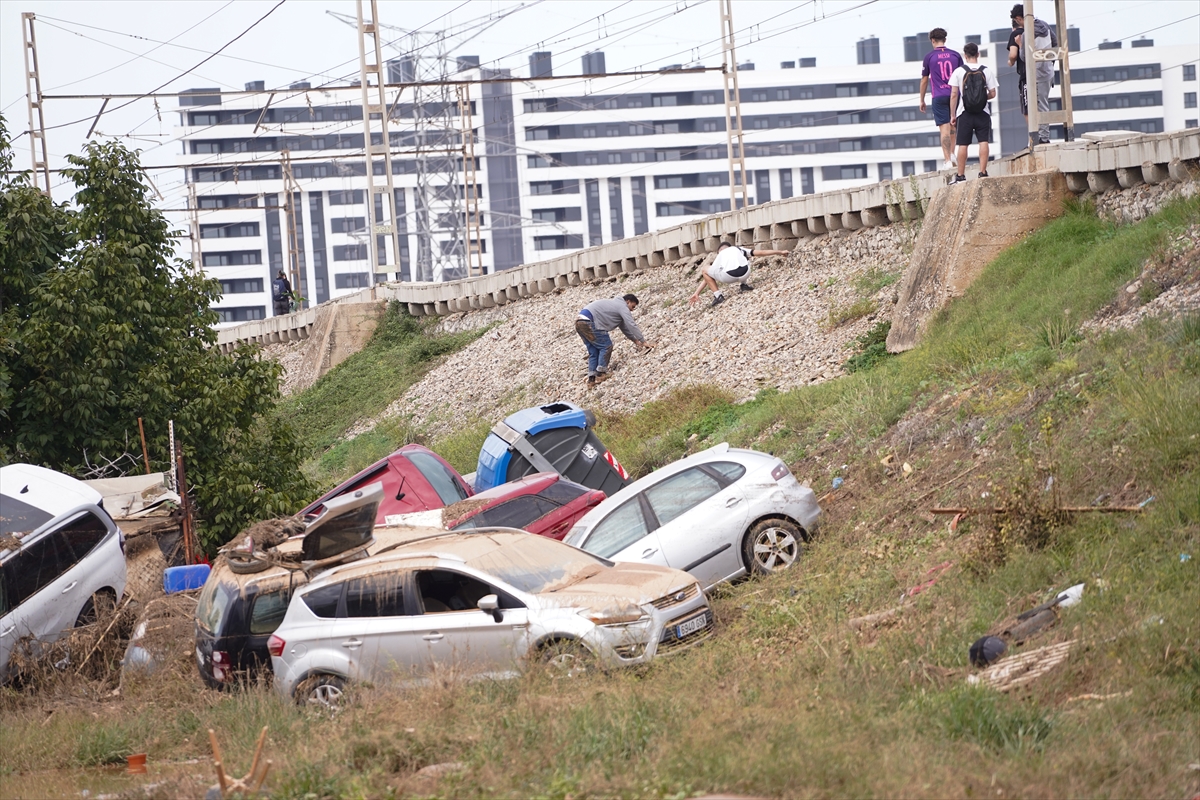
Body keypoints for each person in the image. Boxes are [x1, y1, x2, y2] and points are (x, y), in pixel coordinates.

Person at [575, 293, 654, 386]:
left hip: (579, 321)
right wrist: (643, 341)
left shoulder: (613, 306)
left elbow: (624, 328)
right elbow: (631, 324)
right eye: (632, 306)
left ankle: (591, 379)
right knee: (606, 346)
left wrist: (636, 341)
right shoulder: (622, 306)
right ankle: (601, 374)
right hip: (590, 321)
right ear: (627, 301)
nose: (632, 310)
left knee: (593, 351)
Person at [948, 42, 999, 183]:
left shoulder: (959, 71)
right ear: (978, 54)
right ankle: (982, 173)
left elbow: (953, 95)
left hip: (964, 113)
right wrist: (982, 98)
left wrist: (953, 115)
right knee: (983, 141)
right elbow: (993, 93)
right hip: (983, 112)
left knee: (963, 144)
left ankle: (960, 176)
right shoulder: (986, 70)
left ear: (965, 55)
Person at [1008, 4, 1058, 145]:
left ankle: (1043, 138)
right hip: (1048, 71)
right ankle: (1043, 136)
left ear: (1018, 18)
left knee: (1037, 106)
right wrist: (1049, 62)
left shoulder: (1026, 34)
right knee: (1043, 103)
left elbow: (1024, 57)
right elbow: (1055, 43)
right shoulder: (1045, 25)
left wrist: (1019, 44)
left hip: (1036, 74)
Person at [689, 242, 790, 308]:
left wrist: (697, 293)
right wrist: (780, 252)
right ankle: (744, 285)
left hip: (729, 277)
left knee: (705, 269)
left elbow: (708, 275)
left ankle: (718, 296)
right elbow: (761, 252)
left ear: (720, 250)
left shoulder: (721, 254)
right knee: (745, 258)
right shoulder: (738, 249)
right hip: (745, 273)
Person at [918, 28, 963, 170]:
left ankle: (948, 160)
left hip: (939, 95)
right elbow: (963, 75)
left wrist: (922, 99)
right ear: (945, 39)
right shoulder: (955, 55)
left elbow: (924, 80)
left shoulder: (929, 57)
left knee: (944, 129)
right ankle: (952, 153)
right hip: (954, 95)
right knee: (953, 125)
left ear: (932, 40)